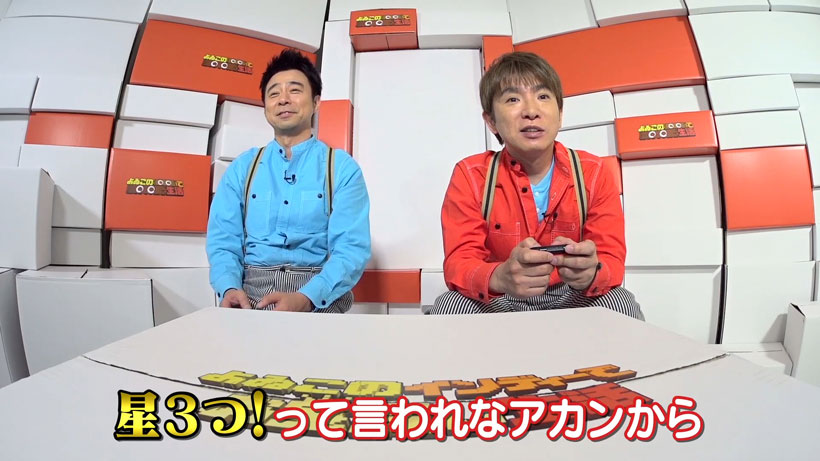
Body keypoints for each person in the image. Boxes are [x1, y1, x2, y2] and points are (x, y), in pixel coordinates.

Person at [429, 52, 642, 319]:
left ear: (560, 114)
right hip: (502, 294)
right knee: (450, 306)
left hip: (572, 294)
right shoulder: (471, 175)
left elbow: (610, 257)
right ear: (491, 121)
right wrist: (500, 277)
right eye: (513, 99)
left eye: (543, 96)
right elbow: (460, 261)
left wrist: (592, 272)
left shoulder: (593, 172)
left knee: (621, 304)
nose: (531, 111)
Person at [207, 49, 370, 312]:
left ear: (316, 102)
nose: (283, 99)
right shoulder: (242, 168)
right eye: (274, 93)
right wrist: (228, 287)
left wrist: (306, 298)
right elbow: (223, 240)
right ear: (265, 107)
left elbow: (351, 249)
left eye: (294, 90)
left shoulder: (341, 168)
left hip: (318, 295)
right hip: (249, 294)